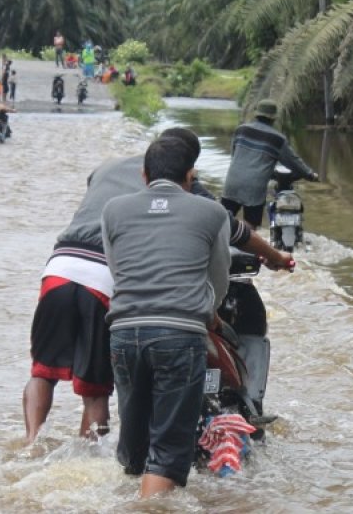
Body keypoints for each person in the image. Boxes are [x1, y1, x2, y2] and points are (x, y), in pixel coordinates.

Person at [22, 128, 292, 446]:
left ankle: (29, 444)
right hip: (109, 279)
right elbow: (230, 228)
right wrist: (275, 256)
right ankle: (89, 458)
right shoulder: (183, 183)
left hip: (60, 264)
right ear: (189, 168)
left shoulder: (108, 167)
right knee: (95, 392)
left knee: (42, 371)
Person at [101, 136, 231, 498]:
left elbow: (118, 269)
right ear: (191, 175)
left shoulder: (113, 209)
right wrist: (209, 311)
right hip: (179, 335)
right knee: (170, 450)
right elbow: (218, 280)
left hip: (124, 333)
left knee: (135, 442)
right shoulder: (212, 212)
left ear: (144, 175)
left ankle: (128, 494)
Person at [221, 98, 318, 229]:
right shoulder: (277, 139)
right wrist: (310, 175)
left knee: (222, 221)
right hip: (254, 188)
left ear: (257, 115)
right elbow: (293, 162)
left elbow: (235, 156)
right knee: (251, 226)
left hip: (232, 182)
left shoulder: (240, 130)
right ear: (273, 119)